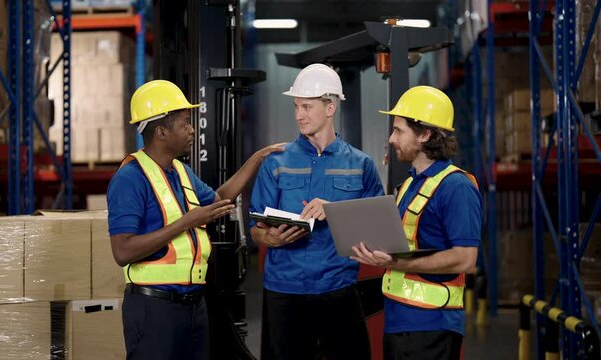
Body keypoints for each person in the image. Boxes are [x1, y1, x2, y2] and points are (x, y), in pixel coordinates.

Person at [107, 80, 284, 360]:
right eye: (185, 123)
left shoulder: (180, 171)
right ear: (162, 131)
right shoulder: (130, 179)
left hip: (193, 307)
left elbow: (219, 199)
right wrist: (187, 223)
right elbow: (122, 251)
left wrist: (257, 159)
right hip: (154, 310)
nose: (192, 131)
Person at [249, 63, 384, 360]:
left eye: (307, 107)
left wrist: (335, 210)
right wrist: (267, 238)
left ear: (330, 107)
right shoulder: (276, 161)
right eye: (296, 106)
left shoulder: (361, 165)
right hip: (285, 293)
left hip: (339, 289)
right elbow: (255, 226)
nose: (299, 115)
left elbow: (378, 230)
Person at [351, 85, 483, 360]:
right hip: (399, 321)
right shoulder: (410, 183)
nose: (391, 138)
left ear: (425, 134)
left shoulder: (456, 187)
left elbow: (465, 260)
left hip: (432, 328)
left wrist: (397, 263)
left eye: (399, 130)